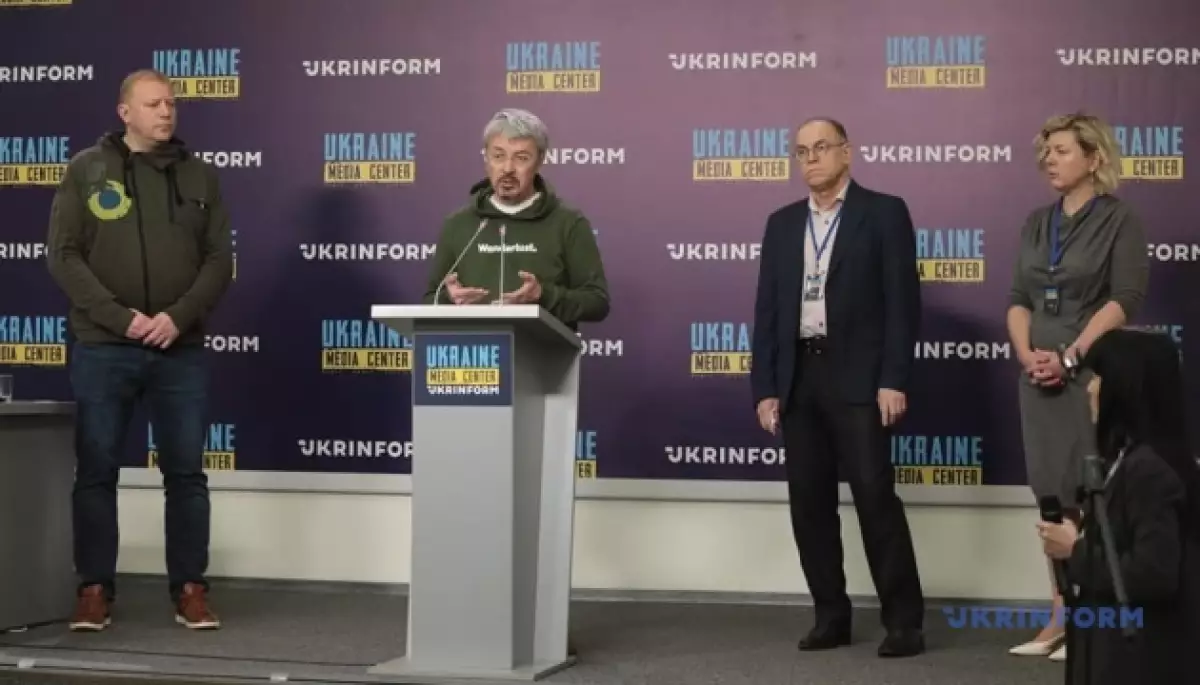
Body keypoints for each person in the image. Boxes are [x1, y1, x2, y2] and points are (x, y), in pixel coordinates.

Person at [45, 68, 233, 632]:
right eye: (153, 104)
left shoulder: (201, 174)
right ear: (125, 112)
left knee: (187, 474)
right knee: (96, 471)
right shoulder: (87, 169)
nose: (166, 111)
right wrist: (122, 319)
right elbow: (63, 255)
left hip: (180, 347)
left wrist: (177, 317)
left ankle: (190, 588)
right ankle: (94, 588)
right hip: (105, 347)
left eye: (171, 103)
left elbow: (220, 260)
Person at [750, 117, 925, 657]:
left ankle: (904, 623)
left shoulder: (884, 212)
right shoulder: (782, 223)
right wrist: (765, 388)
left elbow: (903, 304)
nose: (811, 158)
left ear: (846, 153)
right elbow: (767, 311)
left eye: (821, 147)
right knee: (809, 504)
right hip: (799, 377)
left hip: (860, 378)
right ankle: (831, 616)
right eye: (801, 151)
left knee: (875, 498)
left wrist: (893, 378)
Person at [1006, 113, 1149, 661]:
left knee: (1089, 492)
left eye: (1062, 150)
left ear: (1094, 158)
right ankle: (1060, 614)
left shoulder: (1120, 219)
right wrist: (1028, 355)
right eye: (1046, 152)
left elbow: (1124, 299)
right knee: (1050, 492)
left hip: (1090, 374)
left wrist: (1071, 355)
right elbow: (1018, 298)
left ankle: (1093, 616)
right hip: (1037, 374)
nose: (1050, 160)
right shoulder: (1036, 222)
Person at [1037, 327, 1200, 685]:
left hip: (1142, 660)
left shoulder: (1150, 472)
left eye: (1098, 378)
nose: (1090, 389)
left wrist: (1075, 551)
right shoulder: (1125, 461)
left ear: (1126, 387)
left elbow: (1153, 572)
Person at [422, 108, 610, 329]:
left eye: (521, 158)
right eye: (498, 156)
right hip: (475, 349)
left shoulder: (568, 222)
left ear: (540, 161)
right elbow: (430, 299)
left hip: (542, 350)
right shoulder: (458, 224)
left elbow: (597, 302)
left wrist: (543, 295)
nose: (508, 168)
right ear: (486, 159)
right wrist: (448, 299)